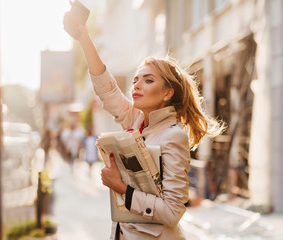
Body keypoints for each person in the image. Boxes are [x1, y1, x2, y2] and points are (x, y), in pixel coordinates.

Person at [63, 8, 225, 240]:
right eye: (136, 79)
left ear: (168, 92)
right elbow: (106, 88)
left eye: (148, 80)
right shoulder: (136, 121)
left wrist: (122, 188)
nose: (137, 85)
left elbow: (173, 212)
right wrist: (84, 38)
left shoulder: (173, 136)